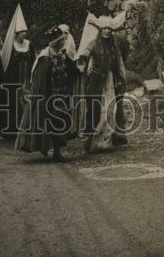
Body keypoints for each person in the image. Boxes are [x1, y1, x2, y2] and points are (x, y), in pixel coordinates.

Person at [16, 25, 78, 163]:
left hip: (62, 95)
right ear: (56, 43)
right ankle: (53, 150)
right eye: (61, 41)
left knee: (59, 123)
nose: (63, 42)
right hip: (49, 96)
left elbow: (71, 71)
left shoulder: (63, 55)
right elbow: (40, 81)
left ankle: (56, 150)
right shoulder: (45, 58)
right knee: (51, 123)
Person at [76, 15, 128, 152]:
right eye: (104, 28)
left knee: (111, 109)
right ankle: (92, 140)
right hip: (96, 80)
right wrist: (82, 59)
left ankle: (106, 140)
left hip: (110, 80)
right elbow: (86, 53)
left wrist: (120, 77)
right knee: (94, 109)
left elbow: (118, 61)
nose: (106, 31)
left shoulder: (113, 46)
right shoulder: (94, 43)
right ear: (100, 30)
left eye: (109, 29)